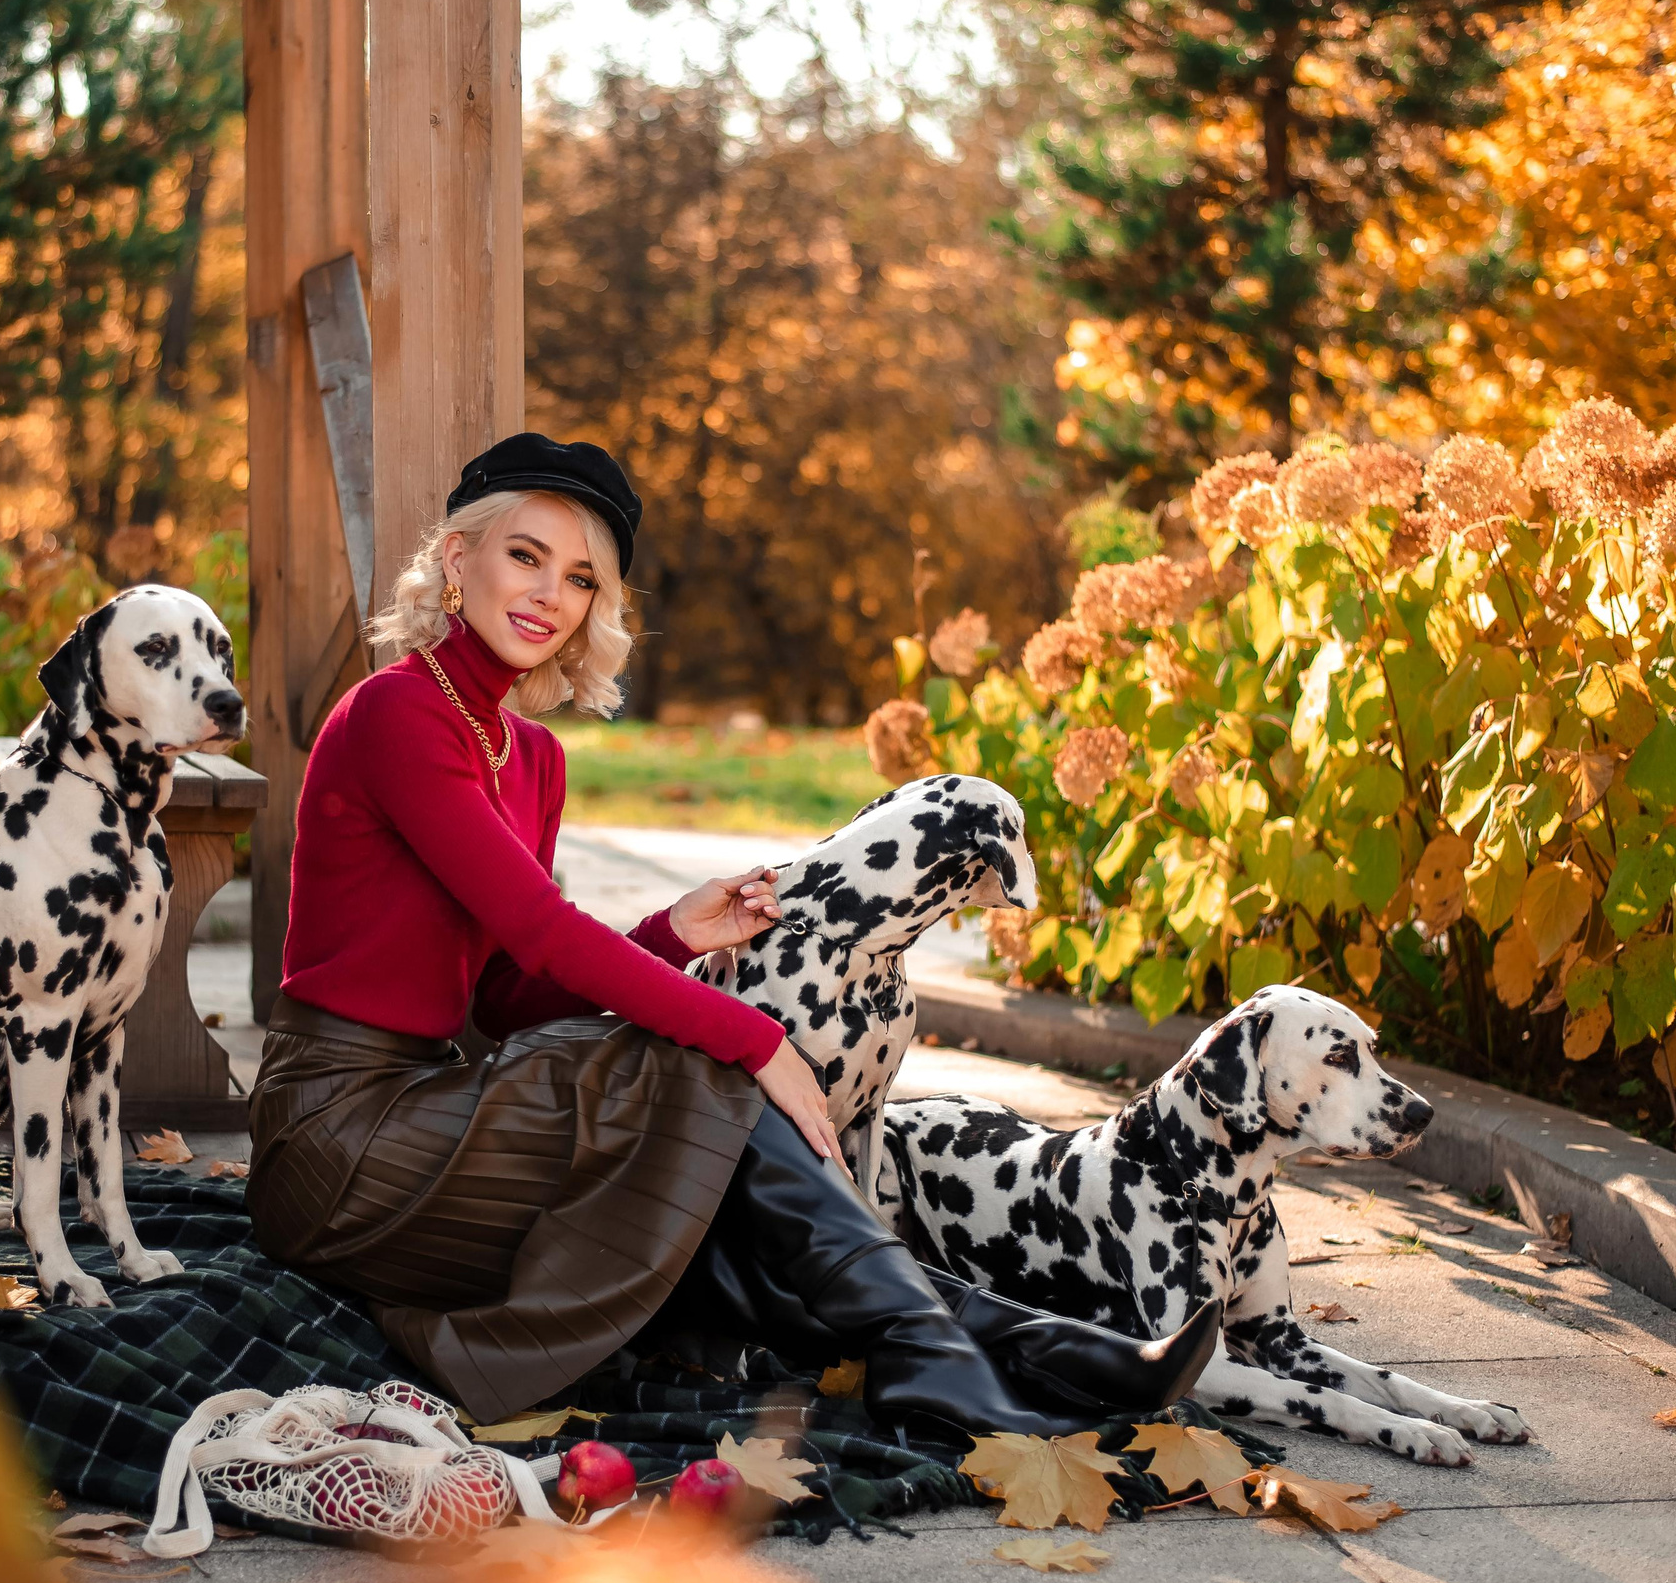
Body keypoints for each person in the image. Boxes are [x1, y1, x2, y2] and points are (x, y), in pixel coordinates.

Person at [244, 433, 1218, 1442]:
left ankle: (994, 1348)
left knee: (690, 1144)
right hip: (337, 1138)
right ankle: (986, 1350)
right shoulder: (396, 711)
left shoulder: (529, 755)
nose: (548, 593)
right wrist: (752, 1038)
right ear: (459, 559)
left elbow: (500, 996)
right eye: (524, 555)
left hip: (429, 1107)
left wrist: (673, 931)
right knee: (693, 1066)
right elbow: (542, 933)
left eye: (579, 577)